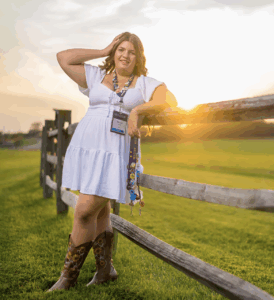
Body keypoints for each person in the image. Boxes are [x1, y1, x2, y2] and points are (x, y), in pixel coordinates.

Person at [47, 32, 177, 293]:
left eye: (131, 52)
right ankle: (105, 270)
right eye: (120, 49)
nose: (125, 55)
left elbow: (169, 100)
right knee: (101, 209)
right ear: (114, 53)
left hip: (115, 153)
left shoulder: (143, 83)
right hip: (88, 149)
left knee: (84, 211)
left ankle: (67, 278)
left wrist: (138, 111)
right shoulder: (96, 76)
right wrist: (104, 49)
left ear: (138, 57)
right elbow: (63, 58)